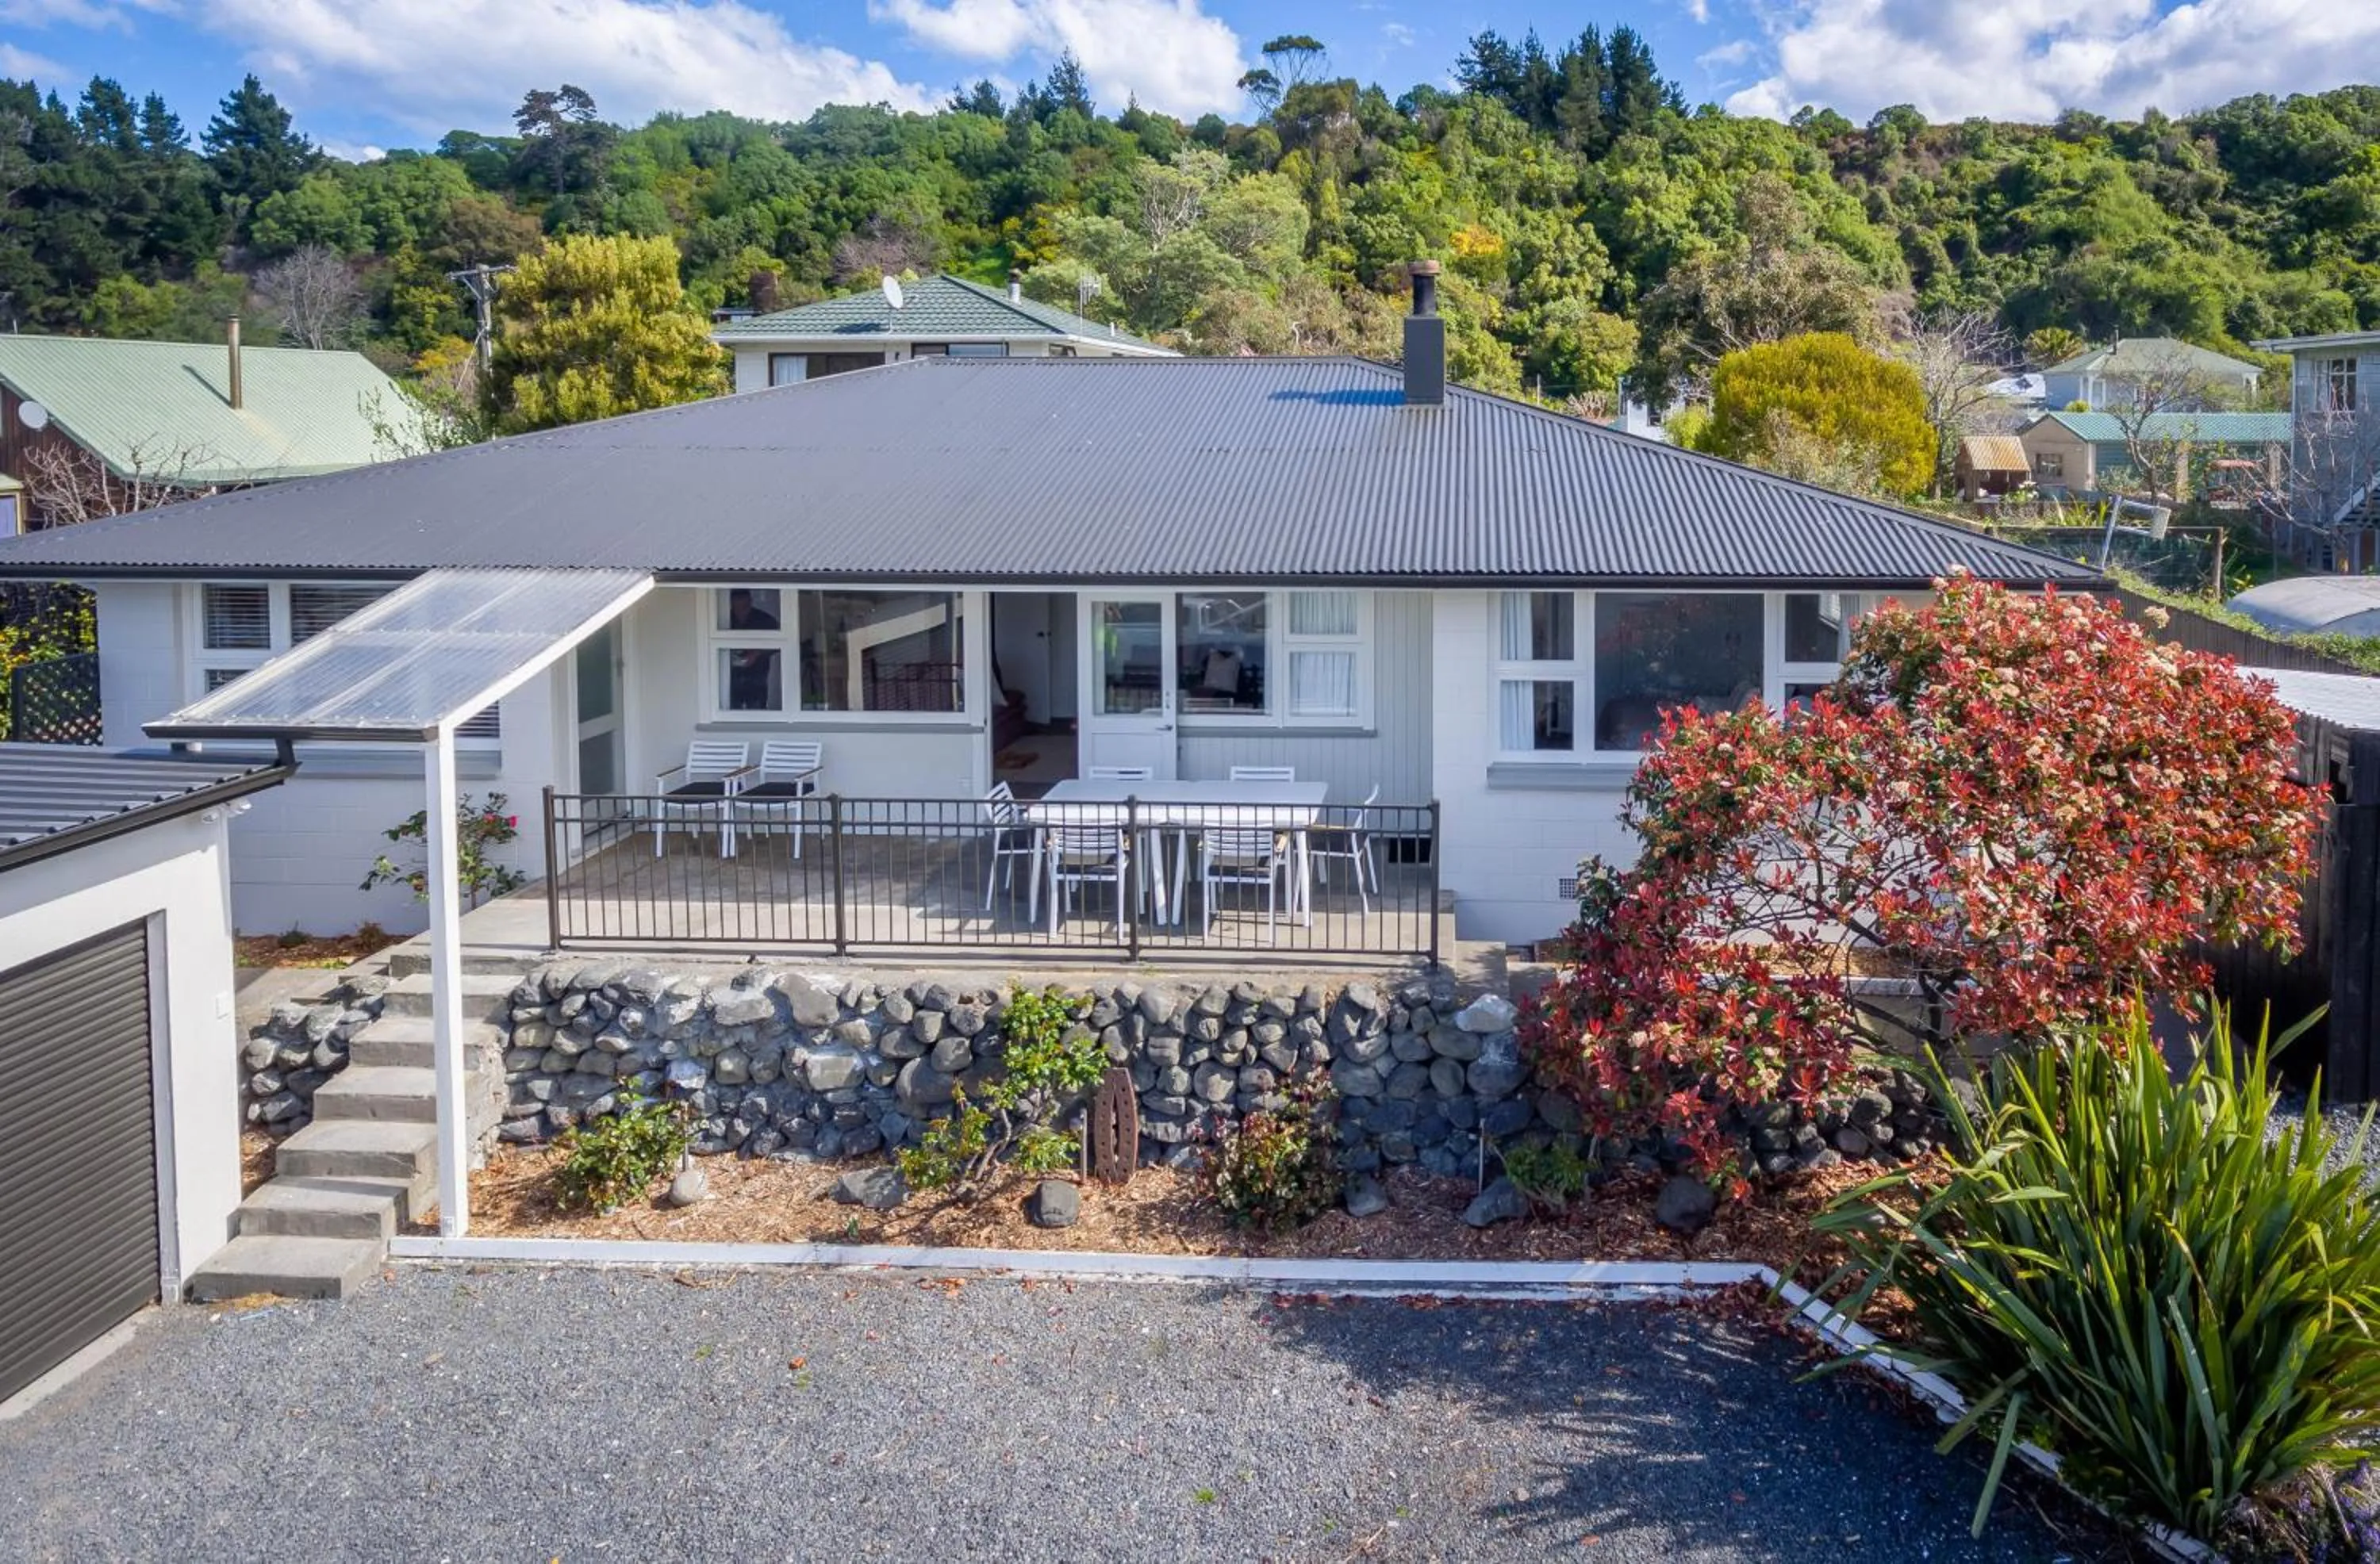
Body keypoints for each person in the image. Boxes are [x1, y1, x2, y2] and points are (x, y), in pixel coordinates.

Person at [726, 588, 780, 710]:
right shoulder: (725, 619)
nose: (741, 611)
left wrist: (757, 653)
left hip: (757, 677)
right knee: (730, 712)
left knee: (757, 711)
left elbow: (780, 641)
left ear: (750, 602)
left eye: (744, 606)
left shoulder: (764, 620)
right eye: (737, 606)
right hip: (730, 678)